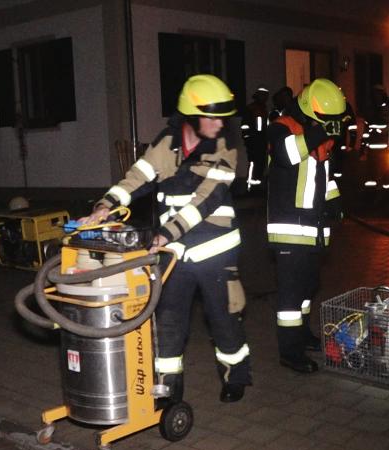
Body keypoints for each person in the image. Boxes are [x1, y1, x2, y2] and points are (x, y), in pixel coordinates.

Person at [82, 74, 251, 403]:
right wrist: (105, 205)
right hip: (173, 254)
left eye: (222, 118)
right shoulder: (166, 142)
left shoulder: (226, 148)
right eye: (211, 117)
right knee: (168, 322)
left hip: (214, 251)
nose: (219, 124)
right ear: (190, 116)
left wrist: (165, 232)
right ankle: (167, 389)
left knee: (224, 319)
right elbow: (138, 177)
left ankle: (236, 377)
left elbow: (207, 199)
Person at [266, 78, 347, 373]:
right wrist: (317, 133)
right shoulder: (281, 127)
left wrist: (335, 202)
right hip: (289, 229)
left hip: (314, 229)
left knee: (308, 287)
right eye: (325, 120)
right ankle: (290, 352)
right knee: (290, 295)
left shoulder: (320, 135)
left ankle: (302, 335)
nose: (330, 126)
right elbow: (287, 155)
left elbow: (326, 175)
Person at [241, 87, 270, 191]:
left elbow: (265, 127)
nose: (265, 97)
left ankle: (257, 186)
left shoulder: (264, 109)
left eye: (265, 95)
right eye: (262, 95)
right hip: (253, 141)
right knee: (254, 163)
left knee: (261, 163)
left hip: (261, 141)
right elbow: (245, 126)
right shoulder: (251, 109)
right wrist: (248, 139)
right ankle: (251, 187)